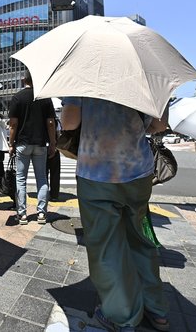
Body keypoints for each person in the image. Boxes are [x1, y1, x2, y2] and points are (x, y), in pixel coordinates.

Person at [61, 97, 170, 331]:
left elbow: (69, 122)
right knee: (140, 239)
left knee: (106, 245)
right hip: (138, 170)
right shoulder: (148, 70)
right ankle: (156, 309)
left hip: (96, 170)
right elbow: (159, 125)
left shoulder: (84, 71)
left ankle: (121, 314)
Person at [8, 71, 56, 225]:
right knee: (41, 178)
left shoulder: (17, 98)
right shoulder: (45, 98)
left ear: (24, 80)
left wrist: (11, 143)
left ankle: (22, 215)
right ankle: (41, 213)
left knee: (21, 179)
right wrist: (53, 143)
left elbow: (13, 124)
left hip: (22, 143)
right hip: (41, 143)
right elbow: (50, 123)